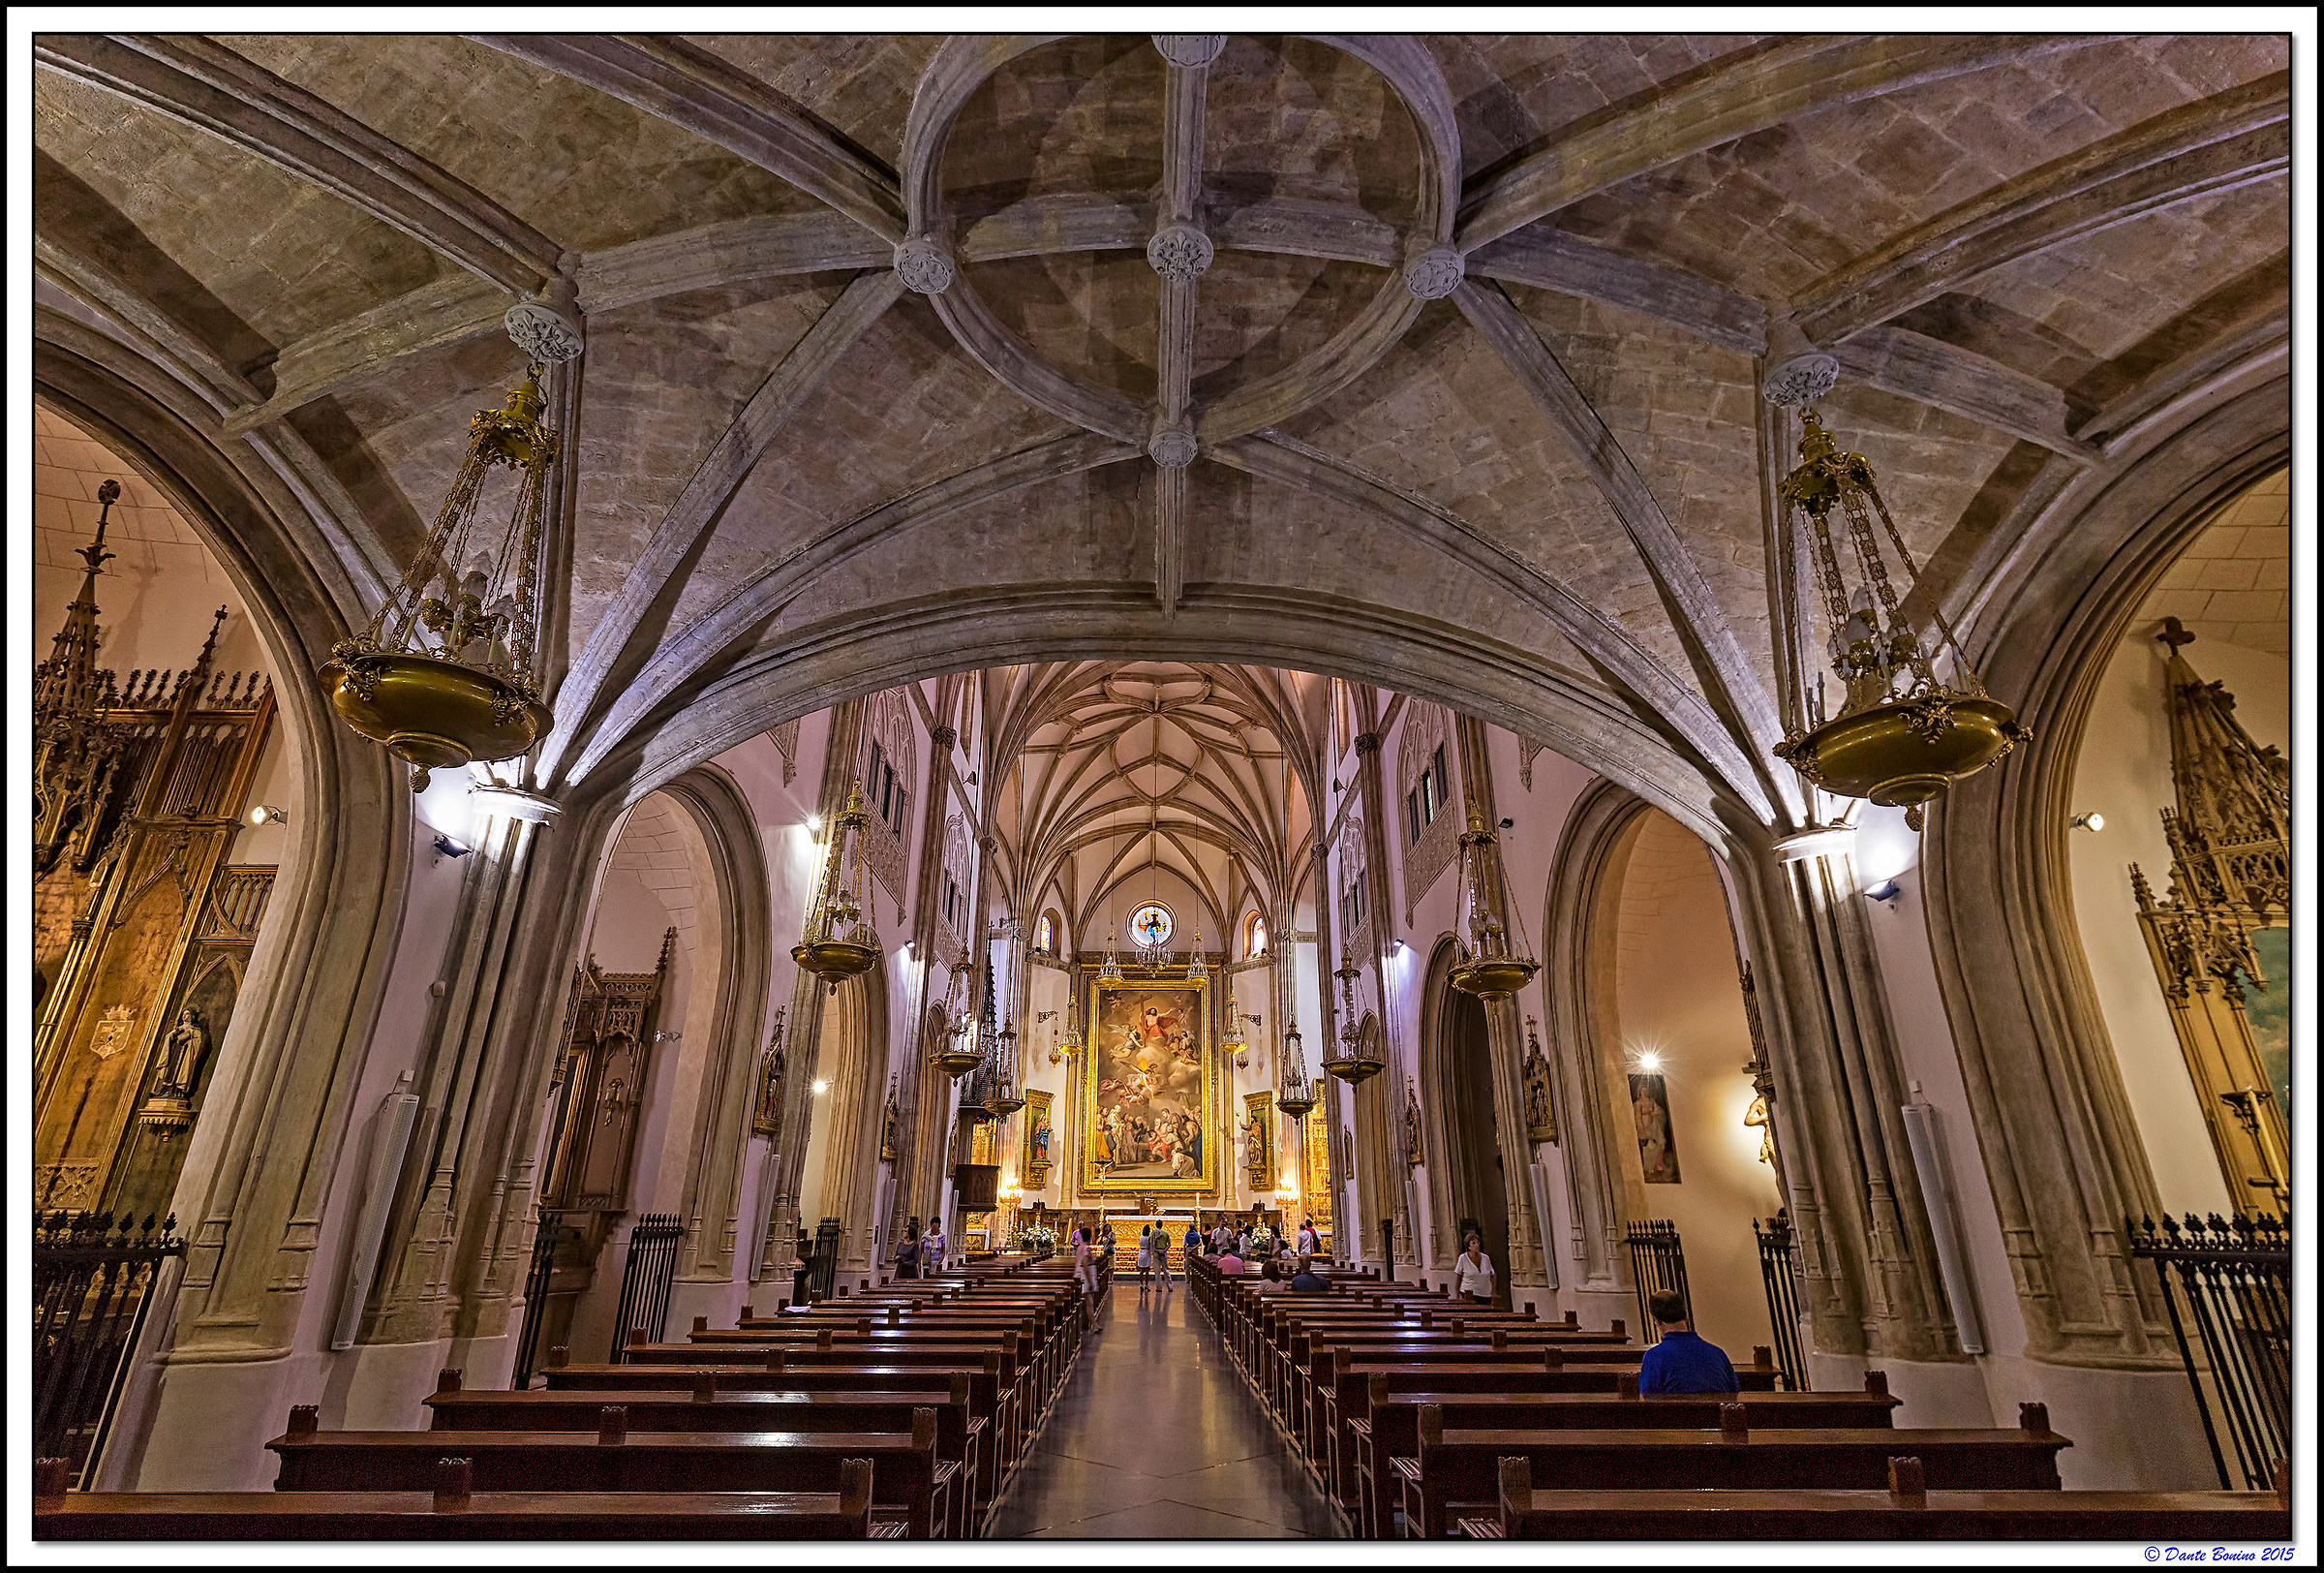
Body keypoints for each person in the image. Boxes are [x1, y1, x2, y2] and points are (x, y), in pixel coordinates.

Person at [1637, 1288, 1740, 1395]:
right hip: (1716, 1411)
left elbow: (1647, 1397)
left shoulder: (1654, 1357)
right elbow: (1735, 1393)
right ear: (1686, 1315)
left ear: (1657, 1321)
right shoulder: (1718, 1354)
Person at [1453, 1231, 1495, 1306]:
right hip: (1469, 1294)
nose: (1476, 1245)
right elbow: (1458, 1277)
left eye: (1477, 1243)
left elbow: (1493, 1274)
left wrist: (1493, 1292)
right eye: (1473, 1243)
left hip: (1485, 1294)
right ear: (1468, 1246)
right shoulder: (1463, 1258)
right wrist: (1457, 1295)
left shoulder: (1486, 1258)